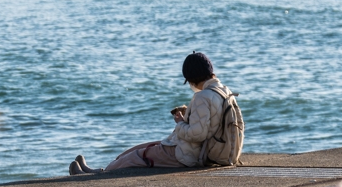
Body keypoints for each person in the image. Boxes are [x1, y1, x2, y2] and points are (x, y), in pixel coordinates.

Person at [70, 52, 237, 174]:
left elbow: (198, 134)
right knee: (139, 148)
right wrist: (188, 117)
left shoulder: (202, 96)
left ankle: (95, 175)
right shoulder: (224, 92)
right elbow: (209, 126)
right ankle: (98, 171)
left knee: (136, 156)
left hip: (188, 155)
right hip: (199, 150)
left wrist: (180, 123)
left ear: (192, 77)